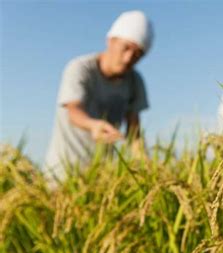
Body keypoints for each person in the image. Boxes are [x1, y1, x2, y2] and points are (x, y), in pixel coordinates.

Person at [43, 10, 153, 186]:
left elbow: (134, 134)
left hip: (103, 179)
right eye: (126, 48)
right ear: (110, 40)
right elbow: (73, 110)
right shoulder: (80, 68)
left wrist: (148, 169)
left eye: (138, 54)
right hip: (63, 176)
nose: (128, 58)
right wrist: (93, 125)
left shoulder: (135, 82)